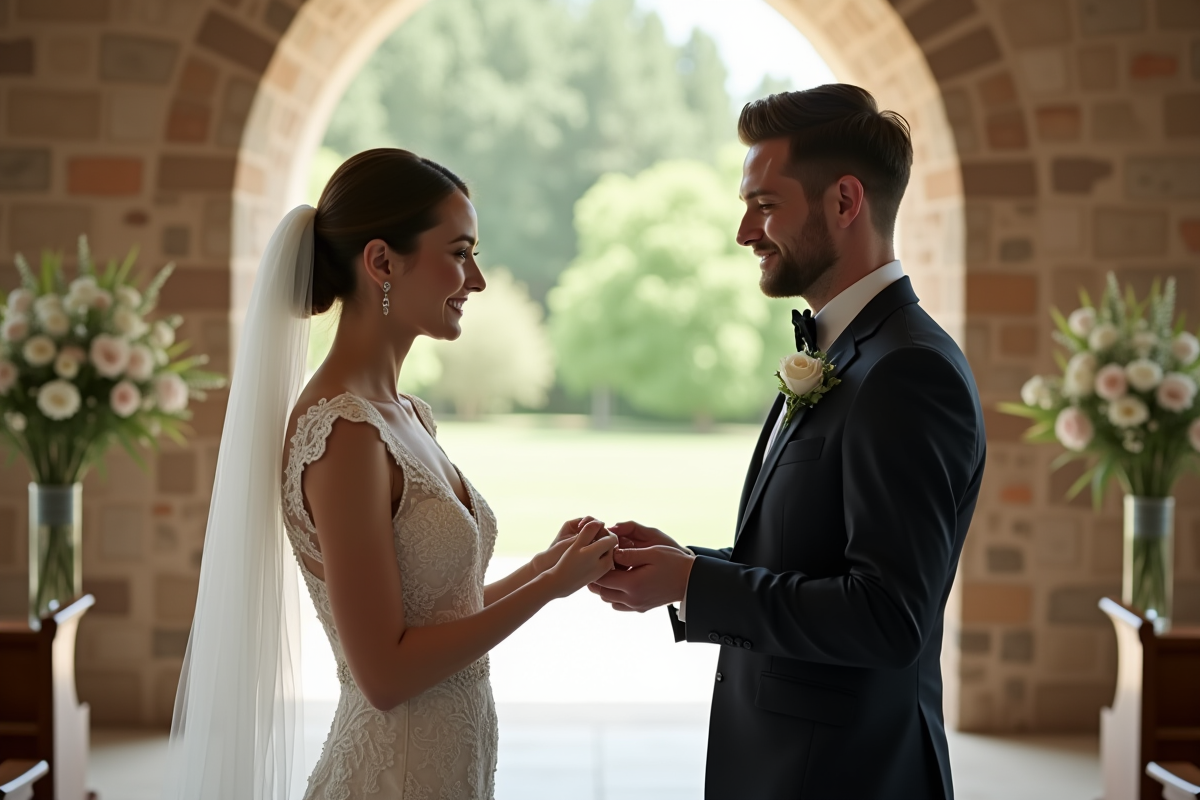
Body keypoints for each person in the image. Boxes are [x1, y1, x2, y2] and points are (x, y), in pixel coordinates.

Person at [163, 149, 617, 800]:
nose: (477, 280)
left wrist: (547, 566)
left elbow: (439, 614)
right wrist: (546, 590)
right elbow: (385, 674)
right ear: (381, 262)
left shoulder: (405, 414)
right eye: (460, 253)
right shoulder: (344, 433)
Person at [589, 84, 986, 800]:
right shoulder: (848, 351)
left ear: (844, 201)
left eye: (765, 205)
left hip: (844, 777)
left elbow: (887, 617)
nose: (745, 232)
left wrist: (693, 586)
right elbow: (812, 561)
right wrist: (685, 566)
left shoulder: (907, 370)